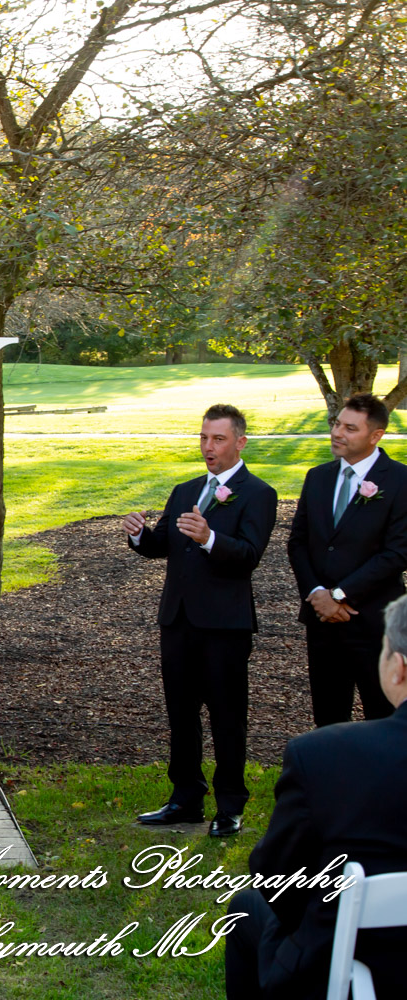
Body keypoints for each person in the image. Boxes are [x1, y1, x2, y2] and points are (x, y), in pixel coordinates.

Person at [223, 593, 407, 1000]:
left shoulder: (325, 755)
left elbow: (275, 873)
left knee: (247, 909)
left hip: (353, 966)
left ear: (398, 668)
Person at [123, 403, 278, 838]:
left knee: (227, 715)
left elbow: (249, 557)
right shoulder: (185, 489)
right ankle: (184, 798)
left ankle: (230, 805)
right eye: (204, 438)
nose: (208, 447)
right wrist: (139, 534)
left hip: (225, 626)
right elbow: (161, 547)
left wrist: (211, 538)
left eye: (218, 439)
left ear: (240, 442)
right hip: (178, 620)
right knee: (180, 712)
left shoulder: (258, 494)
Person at [285, 393, 407, 726]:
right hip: (322, 621)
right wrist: (318, 595)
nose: (337, 433)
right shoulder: (318, 477)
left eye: (350, 428)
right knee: (328, 719)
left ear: (375, 435)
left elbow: (398, 553)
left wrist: (340, 595)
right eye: (337, 424)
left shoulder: (400, 480)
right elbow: (297, 543)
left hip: (373, 622)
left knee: (383, 719)